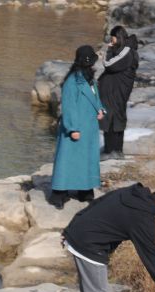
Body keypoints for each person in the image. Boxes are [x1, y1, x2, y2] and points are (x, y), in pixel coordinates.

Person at [51, 45, 107, 209]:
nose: (93, 66)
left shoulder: (89, 79)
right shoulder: (72, 81)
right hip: (76, 128)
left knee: (86, 160)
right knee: (67, 161)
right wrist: (72, 128)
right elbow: (69, 107)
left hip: (89, 128)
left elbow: (95, 98)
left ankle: (85, 191)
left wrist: (101, 109)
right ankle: (59, 195)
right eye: (91, 63)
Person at [99, 25, 141, 156]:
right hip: (115, 91)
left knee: (111, 119)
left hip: (116, 92)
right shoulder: (127, 50)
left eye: (113, 39)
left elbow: (109, 64)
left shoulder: (126, 51)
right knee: (116, 118)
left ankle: (111, 150)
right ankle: (116, 150)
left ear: (118, 37)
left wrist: (109, 50)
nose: (111, 42)